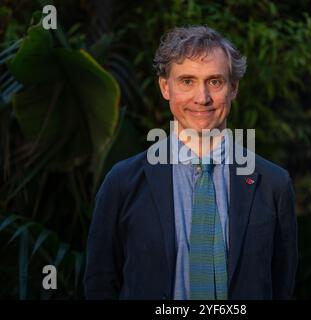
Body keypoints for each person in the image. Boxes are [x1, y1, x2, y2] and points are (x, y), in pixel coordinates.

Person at [84, 25, 298, 300]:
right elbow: (100, 283)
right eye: (187, 81)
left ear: (233, 88)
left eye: (215, 82)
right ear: (165, 87)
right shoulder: (122, 181)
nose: (202, 98)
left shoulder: (273, 184)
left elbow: (282, 286)